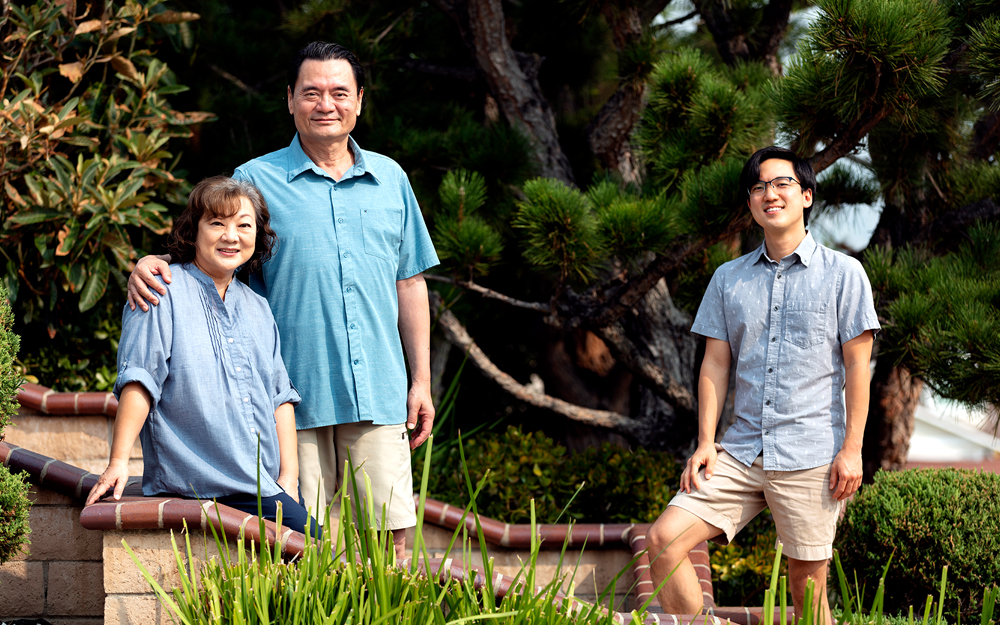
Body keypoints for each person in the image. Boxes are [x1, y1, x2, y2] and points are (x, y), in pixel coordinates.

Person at [126, 42, 439, 558]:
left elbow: (410, 282)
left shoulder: (392, 180)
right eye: (311, 92)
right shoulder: (255, 180)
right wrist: (149, 264)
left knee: (393, 550)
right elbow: (214, 255)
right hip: (290, 402)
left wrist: (421, 381)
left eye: (340, 92)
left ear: (360, 101)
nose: (326, 104)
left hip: (380, 395)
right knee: (296, 548)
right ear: (290, 99)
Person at [645, 147, 879, 623]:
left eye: (781, 184)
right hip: (741, 448)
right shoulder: (728, 279)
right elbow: (714, 367)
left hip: (810, 453)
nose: (769, 194)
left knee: (805, 589)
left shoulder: (844, 274)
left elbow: (858, 368)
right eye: (758, 187)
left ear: (807, 196)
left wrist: (852, 449)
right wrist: (706, 442)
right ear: (751, 204)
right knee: (663, 539)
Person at [86, 176, 319, 537]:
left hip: (262, 488)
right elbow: (140, 380)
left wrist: (288, 480)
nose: (231, 236)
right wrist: (118, 462)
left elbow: (280, 398)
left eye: (244, 225)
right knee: (322, 556)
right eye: (217, 223)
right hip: (194, 486)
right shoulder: (160, 291)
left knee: (318, 562)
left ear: (257, 236)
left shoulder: (258, 307)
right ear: (193, 231)